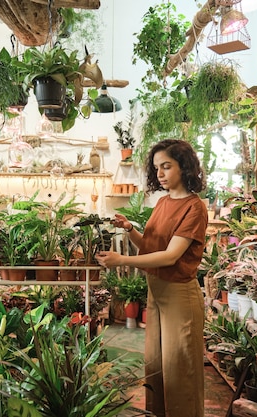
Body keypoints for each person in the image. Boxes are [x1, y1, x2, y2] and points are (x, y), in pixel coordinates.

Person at [96, 139, 207, 417]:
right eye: (157, 167)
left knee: (180, 370)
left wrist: (122, 260)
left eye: (167, 166)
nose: (160, 173)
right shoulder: (163, 203)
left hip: (180, 296)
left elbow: (170, 256)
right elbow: (150, 246)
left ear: (185, 167)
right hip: (156, 294)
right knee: (156, 367)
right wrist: (130, 228)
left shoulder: (194, 208)